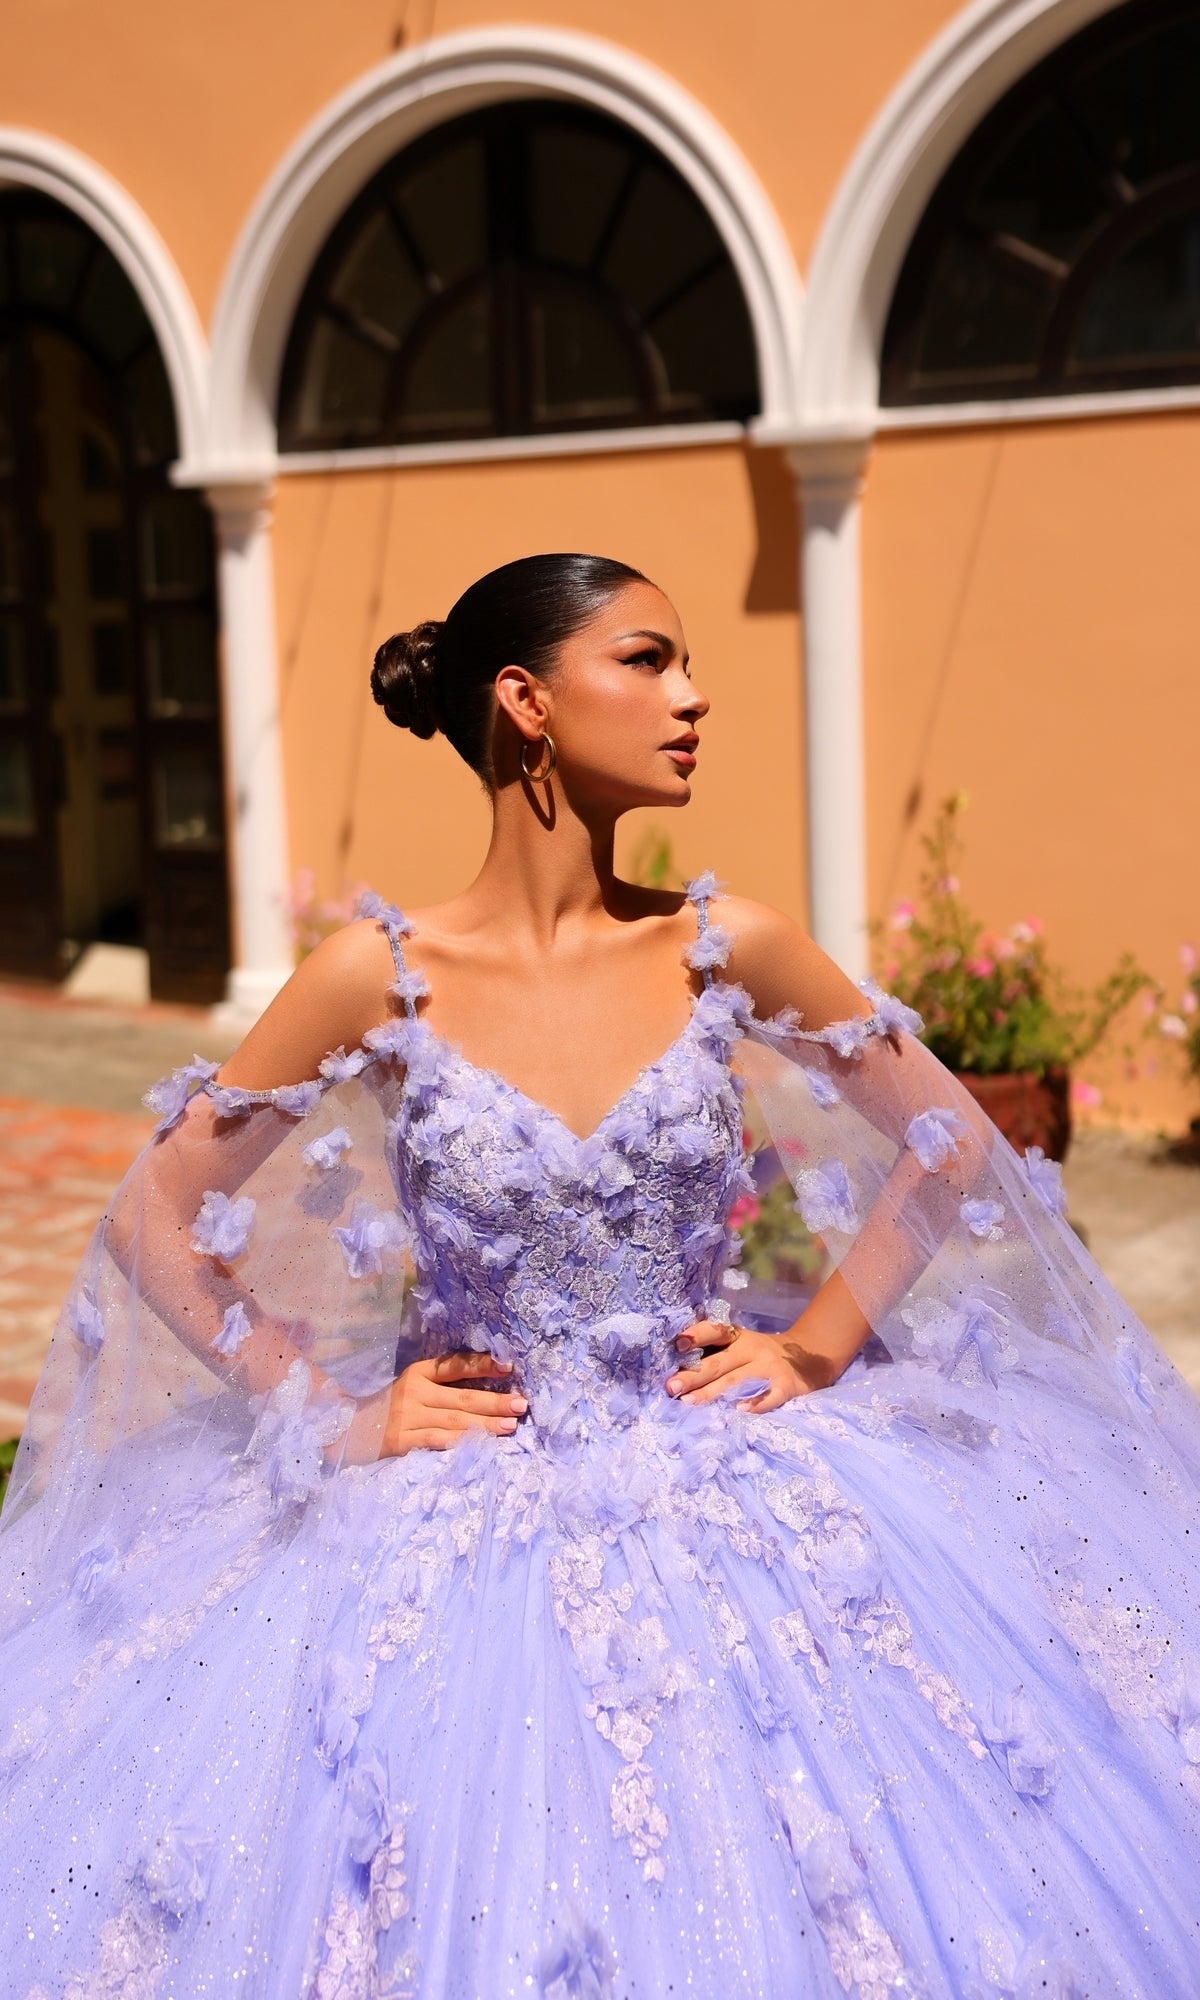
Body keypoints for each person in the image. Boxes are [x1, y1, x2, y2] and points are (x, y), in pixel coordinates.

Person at [1, 553, 1199, 2000]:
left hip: (735, 1481)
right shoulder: (377, 974)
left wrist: (815, 1347)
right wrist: (328, 1409)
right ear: (527, 703)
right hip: (451, 1522)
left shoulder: (725, 947)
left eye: (687, 666)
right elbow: (152, 1218)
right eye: (646, 660)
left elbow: (947, 1145)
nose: (692, 697)